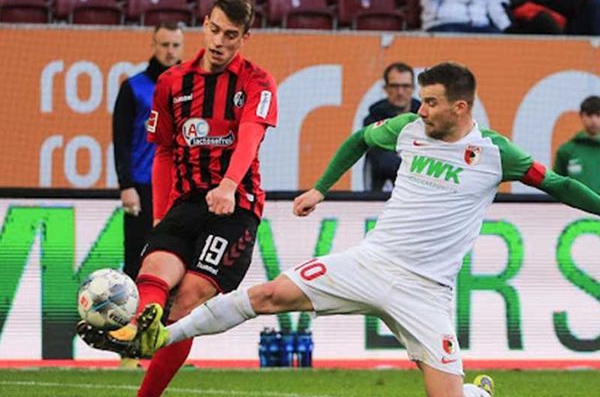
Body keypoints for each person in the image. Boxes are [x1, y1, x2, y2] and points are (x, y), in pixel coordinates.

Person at [132, 61, 600, 397]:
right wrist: (321, 188)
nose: (421, 110)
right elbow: (359, 139)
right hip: (369, 264)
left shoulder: (496, 154)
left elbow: (558, 184)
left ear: (460, 107)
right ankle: (164, 336)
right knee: (268, 295)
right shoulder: (407, 128)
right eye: (421, 101)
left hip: (426, 292)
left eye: (431, 102)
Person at [78, 0, 277, 396]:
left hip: (235, 209)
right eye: (215, 30)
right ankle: (137, 333)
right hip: (185, 204)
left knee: (186, 301)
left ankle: (137, 355)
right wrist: (160, 216)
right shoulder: (172, 82)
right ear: (204, 24)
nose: (219, 42)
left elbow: (250, 136)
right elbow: (164, 152)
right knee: (152, 272)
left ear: (245, 38)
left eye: (231, 35)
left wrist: (228, 185)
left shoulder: (257, 82)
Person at [112, 19, 184, 370]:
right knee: (135, 266)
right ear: (154, 46)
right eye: (164, 44)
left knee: (177, 270)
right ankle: (129, 349)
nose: (170, 51)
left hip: (179, 189)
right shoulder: (134, 88)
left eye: (175, 45)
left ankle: (165, 349)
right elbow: (121, 140)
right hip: (142, 187)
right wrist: (125, 185)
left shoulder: (189, 87)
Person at [363, 62, 420, 191]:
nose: (400, 92)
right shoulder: (372, 121)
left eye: (405, 86)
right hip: (379, 194)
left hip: (418, 192)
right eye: (394, 86)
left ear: (413, 88)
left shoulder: (426, 119)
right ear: (386, 88)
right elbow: (383, 162)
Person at [554, 95, 600, 193]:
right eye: (589, 115)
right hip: (574, 203)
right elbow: (557, 187)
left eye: (598, 115)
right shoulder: (566, 151)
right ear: (581, 116)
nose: (594, 120)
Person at [421, 0, 512, 33]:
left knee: (497, 36)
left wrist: (506, 27)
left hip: (479, 24)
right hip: (444, 23)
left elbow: (495, 4)